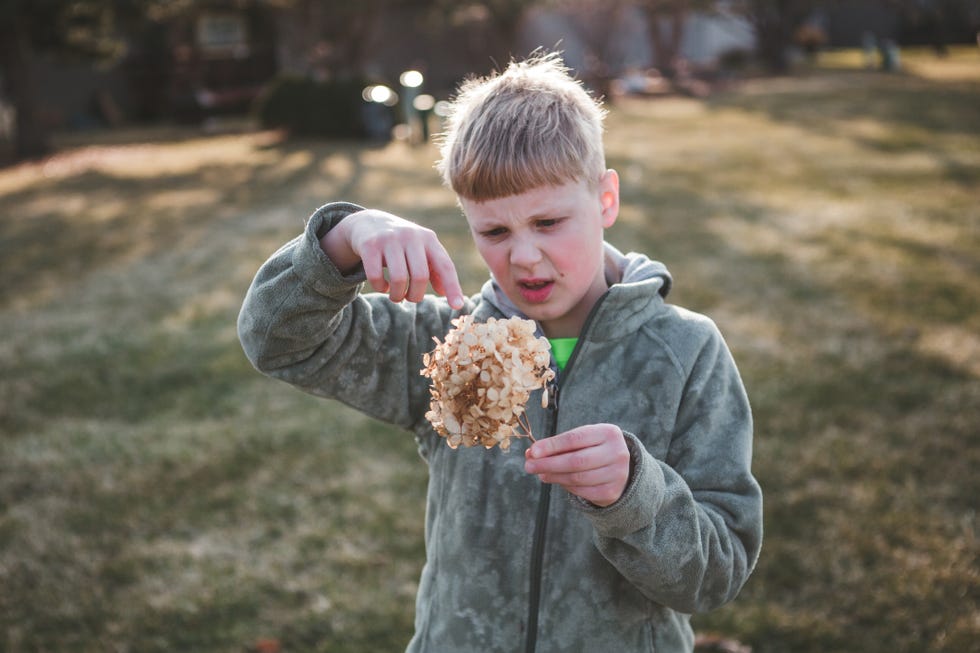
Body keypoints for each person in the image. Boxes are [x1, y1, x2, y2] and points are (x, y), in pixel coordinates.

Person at [238, 52, 763, 653]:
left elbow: (717, 574)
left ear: (605, 200)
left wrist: (635, 495)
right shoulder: (449, 344)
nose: (525, 258)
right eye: (494, 232)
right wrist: (344, 239)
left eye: (549, 222)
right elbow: (278, 341)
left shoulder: (685, 353)